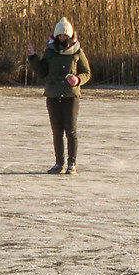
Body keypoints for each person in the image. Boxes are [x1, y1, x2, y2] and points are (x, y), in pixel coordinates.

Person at [25, 18, 91, 174]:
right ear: (55, 36)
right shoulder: (49, 52)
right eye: (59, 36)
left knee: (71, 131)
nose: (62, 38)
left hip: (71, 97)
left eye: (64, 35)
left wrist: (77, 80)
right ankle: (58, 163)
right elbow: (42, 73)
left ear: (69, 35)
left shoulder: (77, 52)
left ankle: (71, 164)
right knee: (57, 131)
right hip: (53, 96)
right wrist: (33, 57)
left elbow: (87, 72)